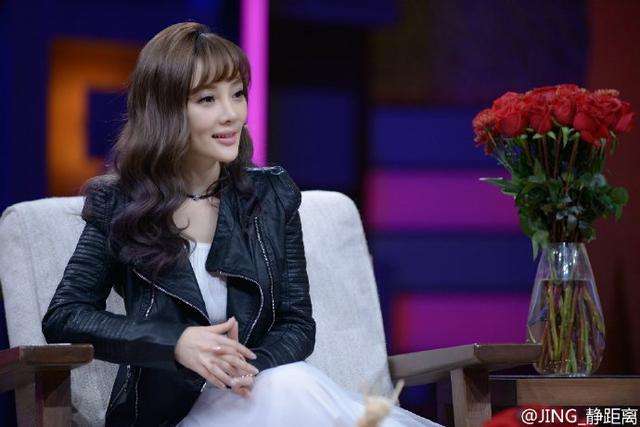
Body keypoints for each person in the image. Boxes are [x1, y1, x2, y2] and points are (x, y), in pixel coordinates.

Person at [41, 21, 442, 427]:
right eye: (207, 99)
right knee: (293, 388)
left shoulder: (270, 195)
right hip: (169, 415)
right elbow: (65, 315)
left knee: (288, 383)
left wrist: (245, 371)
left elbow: (297, 324)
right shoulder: (120, 203)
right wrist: (175, 343)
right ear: (165, 110)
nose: (231, 114)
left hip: (254, 394)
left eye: (237, 94)